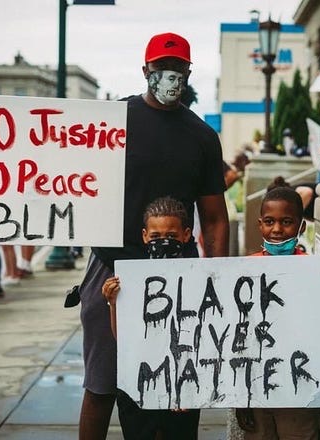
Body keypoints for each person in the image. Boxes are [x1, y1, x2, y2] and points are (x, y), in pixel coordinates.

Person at [77, 32, 229, 439]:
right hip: (112, 269)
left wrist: (217, 280)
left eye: (178, 68)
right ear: (145, 70)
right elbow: (74, 181)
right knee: (102, 384)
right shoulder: (112, 122)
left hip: (180, 276)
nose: (170, 75)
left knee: (179, 385)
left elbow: (214, 218)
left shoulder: (201, 137)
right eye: (162, 68)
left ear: (189, 72)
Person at [237, 178, 320, 440]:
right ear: (260, 225)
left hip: (299, 385)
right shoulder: (244, 269)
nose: (277, 229)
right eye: (269, 221)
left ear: (300, 226)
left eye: (286, 222)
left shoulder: (315, 269)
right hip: (255, 385)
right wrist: (240, 398)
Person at [102, 197, 200, 439]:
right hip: (138, 382)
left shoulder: (198, 278)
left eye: (172, 236)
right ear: (145, 236)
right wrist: (113, 304)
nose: (163, 242)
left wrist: (185, 387)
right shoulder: (131, 278)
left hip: (181, 382)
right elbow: (121, 337)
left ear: (186, 235)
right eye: (156, 237)